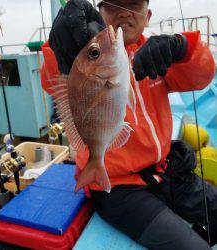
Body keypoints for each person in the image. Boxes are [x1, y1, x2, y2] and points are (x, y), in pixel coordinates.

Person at [41, 0, 217, 249]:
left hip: (168, 171)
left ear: (147, 16)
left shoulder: (157, 52)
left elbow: (202, 76)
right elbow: (52, 79)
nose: (123, 13)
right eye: (113, 6)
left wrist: (184, 47)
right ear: (99, 13)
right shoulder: (83, 57)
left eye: (133, 5)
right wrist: (58, 44)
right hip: (119, 189)